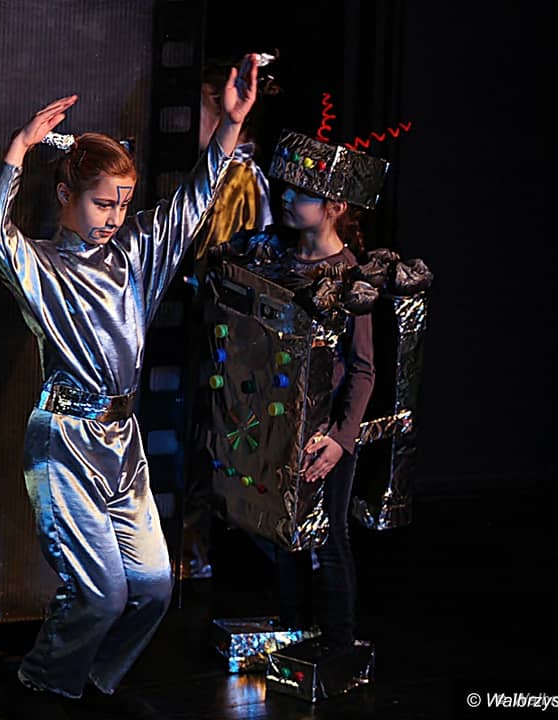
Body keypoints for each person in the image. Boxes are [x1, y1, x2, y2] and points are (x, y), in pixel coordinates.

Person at [0, 53, 259, 712]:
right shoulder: (42, 267)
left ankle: (93, 683)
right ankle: (42, 684)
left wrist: (230, 125)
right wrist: (19, 148)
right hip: (66, 438)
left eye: (123, 204)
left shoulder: (134, 256)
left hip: (121, 443)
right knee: (101, 593)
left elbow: (192, 202)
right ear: (66, 196)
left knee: (154, 588)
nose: (113, 216)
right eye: (103, 203)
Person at [207, 129, 382, 658]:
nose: (287, 197)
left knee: (329, 537)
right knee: (284, 532)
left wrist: (340, 440)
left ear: (334, 207)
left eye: (303, 193)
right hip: (277, 421)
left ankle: (339, 641)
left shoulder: (350, 276)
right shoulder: (276, 257)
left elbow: (363, 369)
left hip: (322, 435)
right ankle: (293, 627)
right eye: (287, 188)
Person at [180, 53, 278, 580]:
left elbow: (223, 260)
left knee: (206, 439)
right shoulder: (219, 174)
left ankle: (195, 555)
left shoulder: (235, 179)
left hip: (217, 332)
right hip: (205, 327)